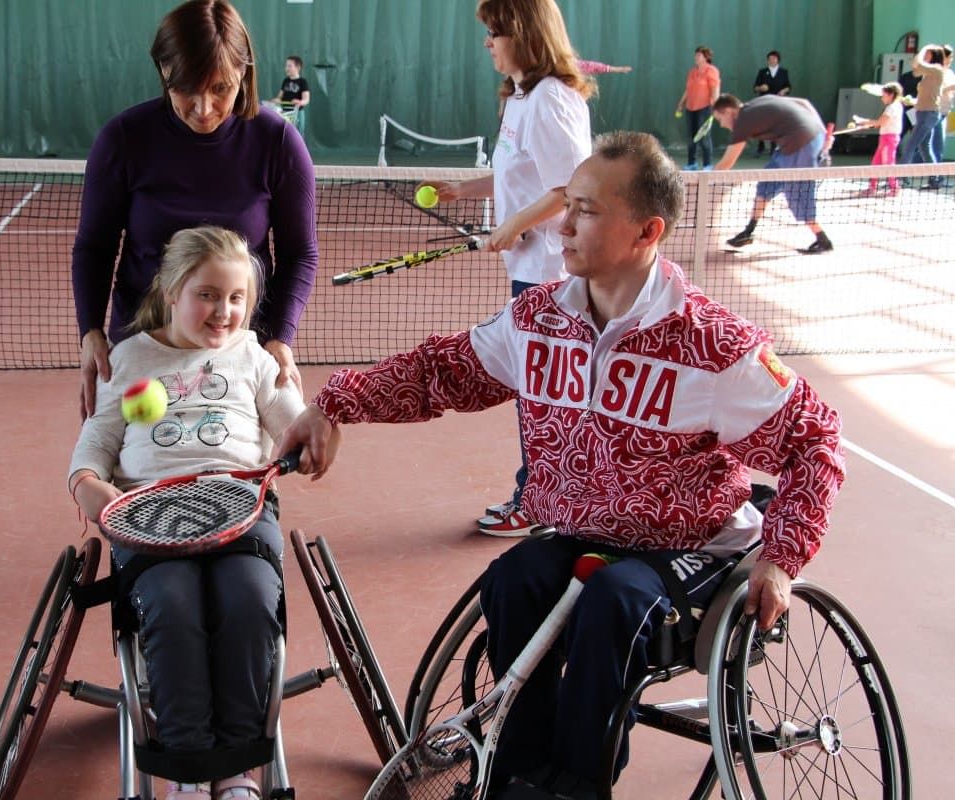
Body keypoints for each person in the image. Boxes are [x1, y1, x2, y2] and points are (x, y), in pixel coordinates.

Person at [278, 131, 845, 799]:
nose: (563, 225)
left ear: (646, 230)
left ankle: (576, 785)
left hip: (691, 547)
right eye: (566, 205)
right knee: (514, 579)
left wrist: (782, 557)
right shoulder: (539, 318)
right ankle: (515, 772)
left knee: (615, 601)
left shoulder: (713, 346)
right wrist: (336, 402)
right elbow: (441, 372)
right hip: (583, 536)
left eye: (587, 210)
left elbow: (815, 441)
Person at [70, 226, 305, 800]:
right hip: (148, 512)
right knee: (172, 606)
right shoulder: (131, 358)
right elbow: (99, 436)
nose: (222, 311)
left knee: (248, 601)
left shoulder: (250, 355)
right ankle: (188, 769)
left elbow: (288, 420)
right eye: (206, 294)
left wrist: (310, 428)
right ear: (172, 290)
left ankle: (238, 768)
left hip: (240, 508)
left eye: (236, 299)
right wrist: (85, 482)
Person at [73, 0, 318, 423]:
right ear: (163, 71)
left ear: (244, 72)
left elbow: (299, 253)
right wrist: (90, 332)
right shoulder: (123, 139)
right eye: (185, 88)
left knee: (235, 470)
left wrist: (281, 338)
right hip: (140, 344)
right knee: (137, 472)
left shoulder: (278, 142)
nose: (203, 108)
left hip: (238, 347)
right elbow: (94, 246)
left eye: (220, 88)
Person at [428, 0, 594, 537]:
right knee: (540, 389)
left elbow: (572, 188)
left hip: (555, 276)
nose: (487, 43)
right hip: (530, 271)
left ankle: (537, 501)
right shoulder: (521, 99)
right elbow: (523, 174)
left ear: (521, 33)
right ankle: (552, 496)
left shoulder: (550, 99)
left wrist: (515, 224)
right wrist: (470, 190)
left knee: (542, 392)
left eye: (494, 32)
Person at [711, 93, 835, 254]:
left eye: (720, 119)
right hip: (795, 142)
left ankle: (823, 240)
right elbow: (804, 101)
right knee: (766, 183)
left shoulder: (743, 121)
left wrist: (703, 179)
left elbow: (727, 162)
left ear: (729, 111)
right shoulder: (755, 104)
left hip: (802, 144)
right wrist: (823, 133)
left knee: (798, 194)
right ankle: (748, 232)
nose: (722, 124)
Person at [900, 43, 951, 189]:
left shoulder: (936, 70)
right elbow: (916, 68)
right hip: (922, 112)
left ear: (934, 56)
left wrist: (924, 48)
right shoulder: (927, 73)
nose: (925, 55)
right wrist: (912, 100)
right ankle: (936, 179)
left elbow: (917, 62)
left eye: (928, 54)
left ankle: (899, 179)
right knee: (924, 148)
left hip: (929, 114)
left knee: (911, 145)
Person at [849, 82, 904, 197]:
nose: (882, 98)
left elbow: (880, 122)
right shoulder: (894, 106)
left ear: (891, 94)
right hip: (885, 138)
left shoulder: (893, 107)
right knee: (876, 163)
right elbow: (881, 123)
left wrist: (863, 121)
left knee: (888, 164)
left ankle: (895, 188)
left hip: (890, 139)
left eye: (883, 95)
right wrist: (867, 123)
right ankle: (872, 187)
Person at [675, 46, 721, 170]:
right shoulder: (692, 72)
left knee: (704, 137)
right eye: (695, 55)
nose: (696, 57)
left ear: (706, 57)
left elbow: (715, 89)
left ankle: (707, 164)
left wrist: (715, 105)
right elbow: (688, 89)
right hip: (690, 108)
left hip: (705, 108)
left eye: (699, 55)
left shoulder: (712, 70)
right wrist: (681, 103)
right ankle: (692, 163)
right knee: (691, 137)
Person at [752, 50, 792, 156]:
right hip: (764, 102)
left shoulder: (783, 72)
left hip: (778, 102)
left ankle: (774, 147)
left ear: (778, 60)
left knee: (775, 124)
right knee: (762, 125)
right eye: (769, 59)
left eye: (774, 58)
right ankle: (760, 147)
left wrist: (784, 91)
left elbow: (788, 86)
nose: (771, 60)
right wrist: (761, 87)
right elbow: (755, 87)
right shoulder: (762, 72)